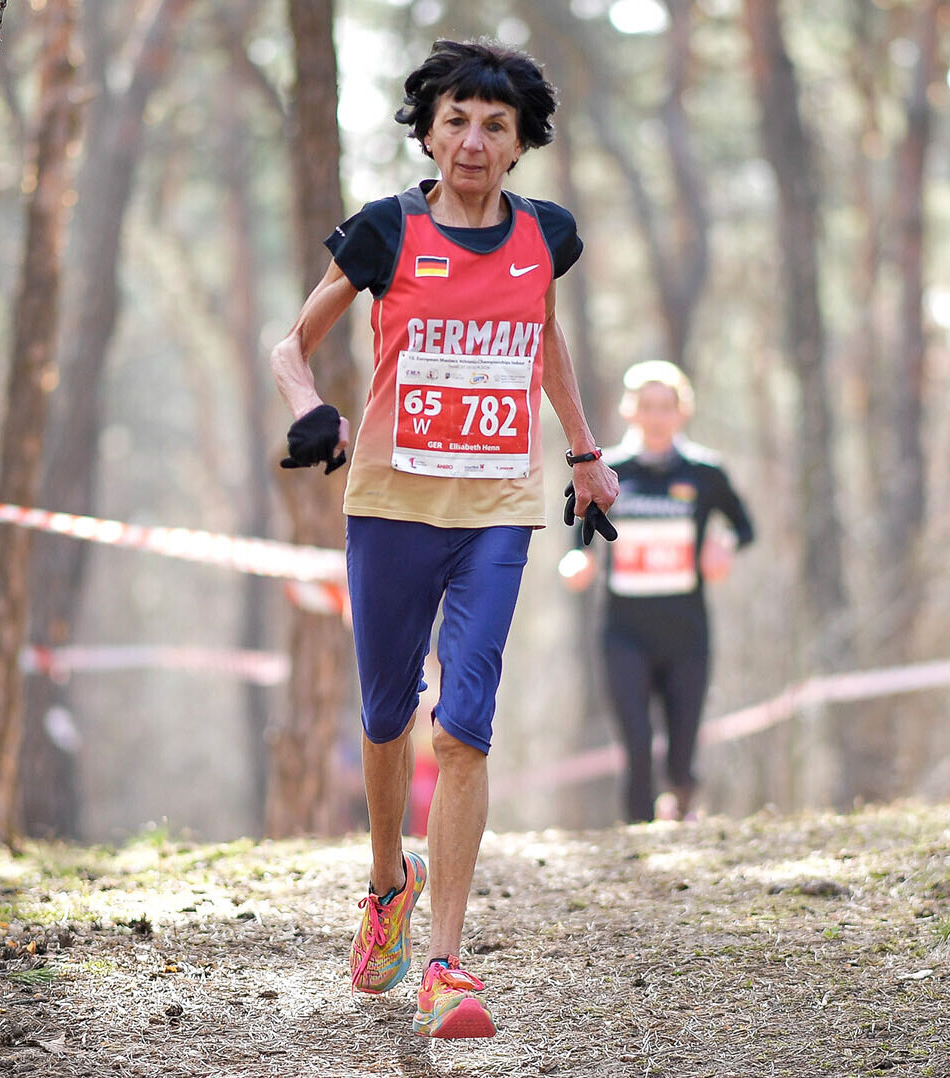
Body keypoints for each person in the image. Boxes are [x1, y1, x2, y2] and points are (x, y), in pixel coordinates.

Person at [269, 39, 618, 1040]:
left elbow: (543, 336)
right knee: (386, 719)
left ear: (520, 144)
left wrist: (586, 453)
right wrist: (310, 408)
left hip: (496, 512)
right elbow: (287, 343)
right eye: (455, 119)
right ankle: (389, 882)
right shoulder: (387, 230)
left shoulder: (544, 236)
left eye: (494, 126)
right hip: (388, 507)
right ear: (427, 128)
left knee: (462, 724)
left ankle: (447, 966)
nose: (472, 140)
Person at [561, 360, 753, 824]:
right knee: (637, 747)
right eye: (646, 406)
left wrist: (723, 544)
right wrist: (577, 563)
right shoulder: (610, 471)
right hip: (624, 633)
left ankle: (683, 806)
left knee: (682, 758)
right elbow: (579, 542)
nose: (656, 416)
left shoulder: (705, 472)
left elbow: (744, 527)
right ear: (632, 412)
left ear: (681, 411)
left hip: (687, 633)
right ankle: (638, 844)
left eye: (665, 406)